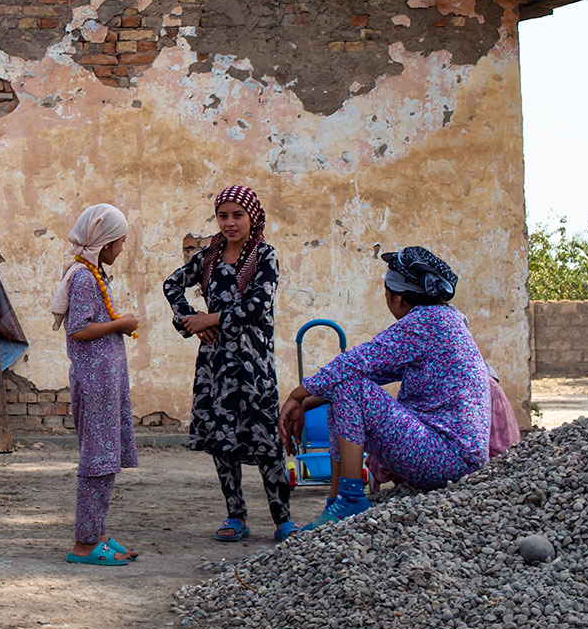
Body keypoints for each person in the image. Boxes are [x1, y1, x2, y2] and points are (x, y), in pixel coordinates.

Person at [281, 246, 490, 528]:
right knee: (342, 390)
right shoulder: (446, 319)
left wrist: (297, 394)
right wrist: (310, 401)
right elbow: (374, 369)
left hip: (447, 456)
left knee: (350, 387)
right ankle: (335, 505)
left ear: (397, 298)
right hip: (452, 453)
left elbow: (358, 361)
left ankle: (351, 499)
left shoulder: (425, 322)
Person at [163, 186, 295, 542]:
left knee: (265, 438)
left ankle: (282, 519)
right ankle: (235, 516)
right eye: (223, 215)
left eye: (238, 215)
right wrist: (190, 319)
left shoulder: (264, 256)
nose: (230, 223)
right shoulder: (208, 258)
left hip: (254, 364)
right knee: (222, 440)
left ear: (252, 217)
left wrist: (212, 319)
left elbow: (257, 306)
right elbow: (172, 284)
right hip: (216, 364)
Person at [50, 203, 139, 565]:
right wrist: (121, 324)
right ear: (105, 244)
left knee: (106, 460)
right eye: (119, 242)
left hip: (105, 380)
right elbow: (79, 330)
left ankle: (97, 530)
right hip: (95, 382)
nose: (121, 249)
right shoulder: (85, 278)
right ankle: (84, 544)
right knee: (97, 462)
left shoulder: (93, 273)